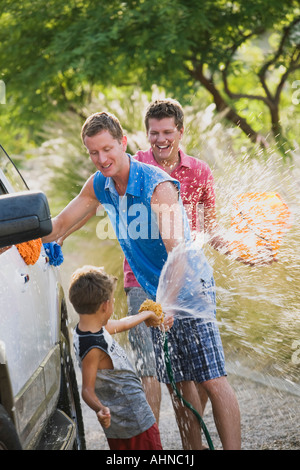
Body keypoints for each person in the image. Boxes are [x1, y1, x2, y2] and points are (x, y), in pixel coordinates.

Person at [43, 110, 241, 450]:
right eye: (94, 152)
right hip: (156, 292)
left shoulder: (156, 186)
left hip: (189, 288)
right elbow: (60, 223)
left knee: (211, 380)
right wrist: (27, 241)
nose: (102, 159)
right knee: (179, 387)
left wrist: (168, 304)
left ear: (123, 143)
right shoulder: (100, 184)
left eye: (107, 149)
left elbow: (177, 252)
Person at [124, 99, 224, 425]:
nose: (161, 139)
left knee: (201, 371)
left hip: (188, 281)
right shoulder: (133, 166)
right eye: (154, 133)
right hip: (141, 281)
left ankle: (194, 437)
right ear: (146, 133)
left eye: (168, 131)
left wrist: (244, 251)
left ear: (181, 132)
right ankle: (151, 446)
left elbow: (212, 230)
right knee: (149, 368)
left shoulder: (199, 171)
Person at [69, 264, 165, 450]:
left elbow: (122, 324)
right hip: (133, 420)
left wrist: (146, 314)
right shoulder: (92, 347)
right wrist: (100, 409)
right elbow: (87, 390)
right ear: (105, 305)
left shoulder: (88, 329)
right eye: (112, 301)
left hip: (123, 422)